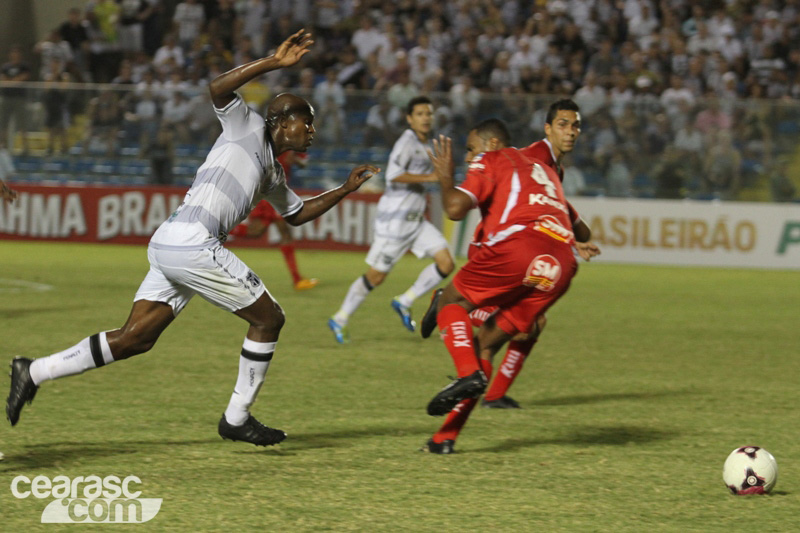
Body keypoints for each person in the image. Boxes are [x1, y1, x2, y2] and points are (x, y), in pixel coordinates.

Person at [6, 30, 378, 447]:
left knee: (135, 338)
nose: (312, 129)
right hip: (193, 242)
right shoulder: (248, 126)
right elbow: (217, 87)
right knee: (269, 318)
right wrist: (273, 62)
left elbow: (296, 214)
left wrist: (344, 189)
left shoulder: (273, 172)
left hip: (172, 240)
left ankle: (33, 371)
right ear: (283, 121)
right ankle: (237, 417)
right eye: (306, 120)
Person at [421, 99, 599, 411]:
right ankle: (478, 387)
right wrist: (571, 232)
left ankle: (482, 396)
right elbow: (520, 184)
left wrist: (569, 237)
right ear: (547, 128)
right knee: (500, 328)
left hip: (519, 247)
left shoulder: (554, 166)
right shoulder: (535, 155)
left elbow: (546, 203)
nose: (571, 132)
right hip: (501, 245)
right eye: (563, 125)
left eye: (576, 126)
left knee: (528, 325)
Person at [328, 96, 455, 343]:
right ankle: (340, 317)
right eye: (420, 114)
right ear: (409, 118)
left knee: (446, 262)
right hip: (395, 223)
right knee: (376, 276)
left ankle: (404, 301)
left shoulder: (427, 144)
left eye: (428, 113)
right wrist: (431, 178)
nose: (426, 118)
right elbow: (394, 175)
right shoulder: (406, 142)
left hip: (416, 221)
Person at [229, 150, 319, 291]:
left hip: (269, 191)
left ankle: (222, 229)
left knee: (257, 231)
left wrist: (294, 158)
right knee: (285, 235)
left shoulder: (284, 142)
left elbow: (301, 163)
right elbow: (295, 161)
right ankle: (297, 280)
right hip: (271, 192)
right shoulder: (281, 141)